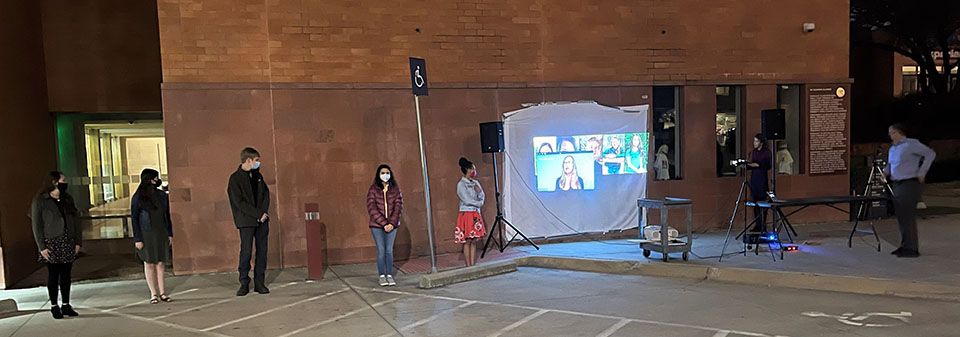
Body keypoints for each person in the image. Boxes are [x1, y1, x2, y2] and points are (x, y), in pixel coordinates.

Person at [31, 171, 81, 319]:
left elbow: (76, 220)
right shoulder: (40, 201)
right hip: (51, 242)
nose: (65, 183)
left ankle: (66, 304)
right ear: (54, 182)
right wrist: (42, 247)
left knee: (66, 275)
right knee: (53, 274)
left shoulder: (67, 199)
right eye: (62, 180)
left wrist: (78, 241)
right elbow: (37, 226)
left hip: (68, 241)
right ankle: (54, 305)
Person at [885, 123, 935, 258]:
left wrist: (922, 172)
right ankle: (904, 245)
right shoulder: (892, 149)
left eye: (892, 132)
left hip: (909, 183)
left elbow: (930, 154)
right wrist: (885, 173)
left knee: (907, 215)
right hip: (897, 184)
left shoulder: (911, 144)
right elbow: (891, 164)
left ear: (898, 133)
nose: (890, 135)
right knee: (901, 215)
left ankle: (912, 248)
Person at [227, 147, 271, 296]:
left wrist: (263, 214)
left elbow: (265, 195)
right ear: (248, 160)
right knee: (246, 252)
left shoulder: (258, 177)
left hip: (262, 221)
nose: (258, 163)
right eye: (256, 160)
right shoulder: (235, 179)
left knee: (262, 251)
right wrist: (257, 214)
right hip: (246, 221)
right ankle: (244, 283)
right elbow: (239, 202)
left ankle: (260, 282)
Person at [131, 168, 174, 304]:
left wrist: (170, 233)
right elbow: (134, 219)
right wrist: (137, 238)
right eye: (155, 178)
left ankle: (163, 292)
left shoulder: (161, 196)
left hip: (160, 232)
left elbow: (167, 215)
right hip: (146, 233)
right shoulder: (138, 197)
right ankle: (153, 294)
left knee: (160, 263)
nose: (157, 181)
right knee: (149, 263)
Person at [366, 164, 403, 286]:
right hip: (377, 226)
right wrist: (384, 223)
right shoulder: (373, 189)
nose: (385, 175)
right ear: (378, 175)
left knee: (389, 250)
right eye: (382, 173)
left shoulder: (395, 189)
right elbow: (371, 208)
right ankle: (382, 275)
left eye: (387, 172)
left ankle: (389, 275)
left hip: (392, 225)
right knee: (381, 250)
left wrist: (391, 223)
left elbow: (398, 206)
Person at [455, 158, 486, 267]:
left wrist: (479, 196)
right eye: (473, 169)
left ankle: (472, 264)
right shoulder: (461, 185)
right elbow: (466, 200)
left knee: (473, 241)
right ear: (467, 169)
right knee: (467, 240)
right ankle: (468, 265)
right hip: (466, 214)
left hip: (475, 213)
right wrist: (478, 203)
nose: (474, 171)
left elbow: (482, 195)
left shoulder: (476, 183)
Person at [747, 133, 772, 233]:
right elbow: (752, 164)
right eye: (754, 141)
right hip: (754, 179)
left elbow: (766, 165)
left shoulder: (766, 152)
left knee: (763, 202)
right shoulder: (753, 152)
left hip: (762, 179)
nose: (754, 143)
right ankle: (757, 224)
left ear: (761, 142)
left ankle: (763, 224)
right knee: (755, 202)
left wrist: (757, 165)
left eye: (756, 141)